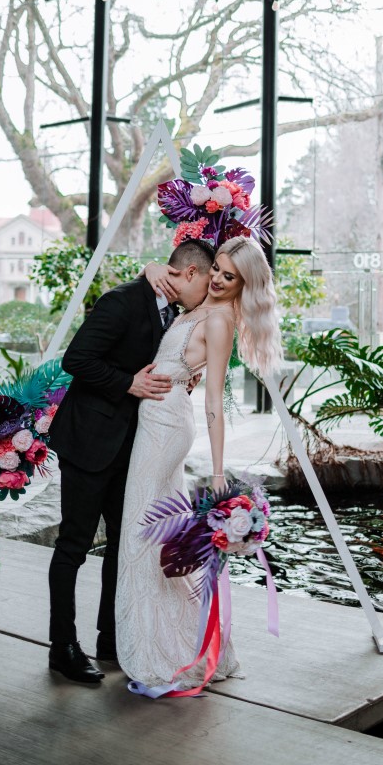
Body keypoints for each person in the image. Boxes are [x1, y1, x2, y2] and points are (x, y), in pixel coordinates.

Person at [115, 235, 283, 693]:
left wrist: (215, 469)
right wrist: (153, 267)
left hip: (167, 426)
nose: (219, 280)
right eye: (218, 270)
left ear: (243, 286)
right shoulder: (199, 303)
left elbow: (212, 400)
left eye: (230, 278)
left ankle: (164, 646)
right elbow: (168, 276)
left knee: (141, 531)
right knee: (154, 535)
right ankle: (174, 637)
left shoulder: (222, 319)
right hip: (155, 416)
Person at [47, 238, 215, 684]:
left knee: (125, 545)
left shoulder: (174, 311)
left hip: (134, 446)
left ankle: (110, 635)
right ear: (191, 274)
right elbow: (76, 359)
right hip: (89, 441)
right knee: (73, 545)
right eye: (209, 281)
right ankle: (62, 646)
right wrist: (128, 384)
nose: (211, 292)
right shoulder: (122, 301)